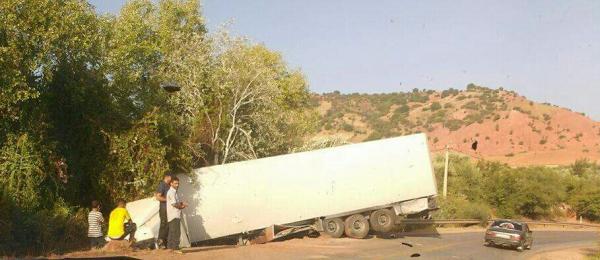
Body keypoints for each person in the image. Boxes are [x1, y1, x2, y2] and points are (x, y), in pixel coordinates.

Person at [166, 176, 187, 250]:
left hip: (173, 215)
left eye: (178, 183)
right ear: (171, 183)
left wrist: (181, 203)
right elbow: (174, 204)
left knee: (172, 232)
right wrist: (182, 206)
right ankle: (175, 248)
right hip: (174, 215)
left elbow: (175, 202)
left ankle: (170, 248)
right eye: (175, 183)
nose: (177, 185)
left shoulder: (173, 192)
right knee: (176, 232)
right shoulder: (171, 192)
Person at [155, 173, 172, 249]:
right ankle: (160, 242)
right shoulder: (162, 185)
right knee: (164, 225)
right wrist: (168, 200)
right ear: (167, 177)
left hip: (169, 209)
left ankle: (165, 244)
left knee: (168, 226)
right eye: (171, 177)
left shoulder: (168, 185)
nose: (172, 179)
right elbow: (158, 197)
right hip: (163, 209)